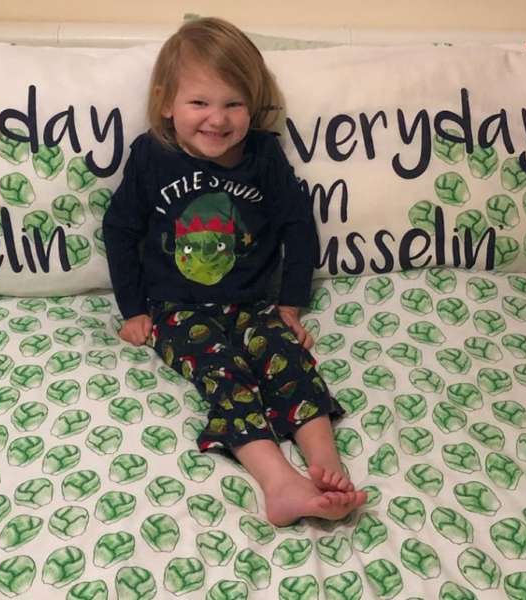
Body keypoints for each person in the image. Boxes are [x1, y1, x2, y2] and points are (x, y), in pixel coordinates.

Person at [103, 16, 366, 526]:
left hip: (254, 305)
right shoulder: (152, 155)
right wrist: (133, 310)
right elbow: (119, 228)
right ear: (166, 102)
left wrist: (290, 304)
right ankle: (279, 482)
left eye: (234, 104)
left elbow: (296, 225)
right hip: (177, 310)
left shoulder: (263, 155)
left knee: (289, 363)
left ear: (254, 104)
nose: (217, 120)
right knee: (226, 375)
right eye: (199, 103)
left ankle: (326, 464)